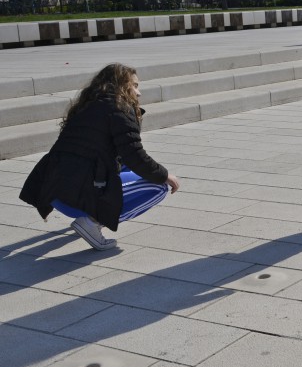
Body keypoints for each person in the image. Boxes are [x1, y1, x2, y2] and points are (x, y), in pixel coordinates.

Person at [20, 64, 181, 250]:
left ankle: (90, 217)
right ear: (121, 86)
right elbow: (135, 155)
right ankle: (92, 221)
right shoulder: (119, 109)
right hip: (75, 196)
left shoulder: (89, 105)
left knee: (126, 166)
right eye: (134, 86)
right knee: (159, 187)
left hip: (54, 190)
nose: (139, 93)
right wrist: (165, 176)